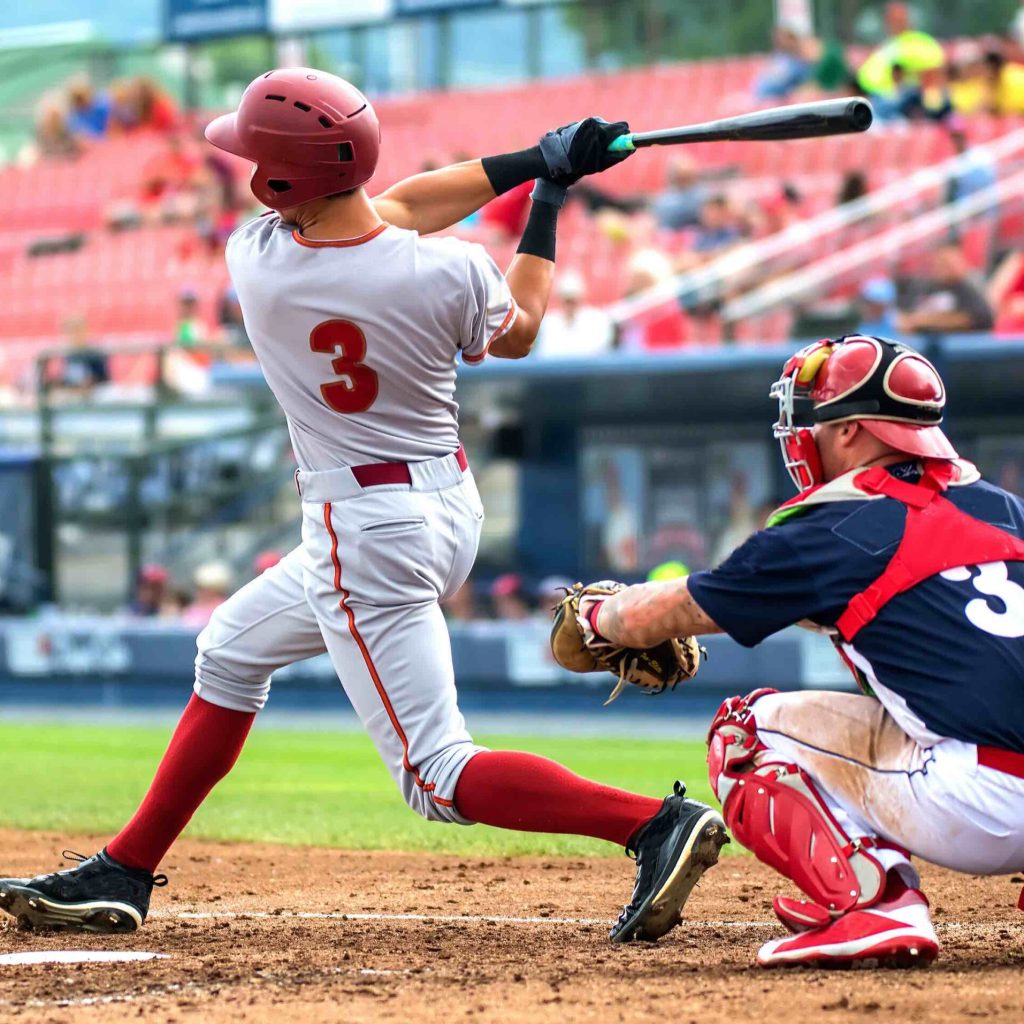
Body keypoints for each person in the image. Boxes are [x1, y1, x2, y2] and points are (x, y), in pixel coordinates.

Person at [0, 69, 725, 944]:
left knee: (437, 776)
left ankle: (651, 824)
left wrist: (537, 164)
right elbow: (518, 322)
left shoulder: (257, 259)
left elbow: (396, 208)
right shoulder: (448, 269)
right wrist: (547, 192)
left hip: (364, 529)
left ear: (279, 184)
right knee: (228, 653)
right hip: (443, 507)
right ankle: (125, 869)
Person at [561, 334, 1024, 967]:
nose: (807, 432)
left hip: (987, 803)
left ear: (855, 431)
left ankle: (874, 902)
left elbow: (668, 614)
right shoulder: (1005, 510)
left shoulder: (835, 526)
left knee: (746, 731)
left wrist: (597, 614)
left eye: (821, 418)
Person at [899, 244, 995, 335]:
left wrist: (926, 321)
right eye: (940, 262)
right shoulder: (923, 287)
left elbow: (977, 318)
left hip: (962, 347)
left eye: (947, 263)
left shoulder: (967, 288)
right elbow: (906, 319)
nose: (942, 267)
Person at [857, 2, 945, 99]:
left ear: (908, 19)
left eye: (899, 18)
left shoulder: (922, 42)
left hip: (904, 101)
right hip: (876, 98)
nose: (895, 23)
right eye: (892, 19)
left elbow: (933, 70)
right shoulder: (887, 45)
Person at [534, 270, 614, 359]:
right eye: (566, 300)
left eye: (573, 300)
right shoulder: (549, 323)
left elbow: (596, 351)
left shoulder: (597, 320)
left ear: (580, 298)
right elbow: (544, 353)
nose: (570, 305)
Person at [651, 156, 708, 231]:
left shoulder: (704, 195)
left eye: (687, 175)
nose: (684, 179)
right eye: (681, 176)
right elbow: (662, 225)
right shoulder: (663, 200)